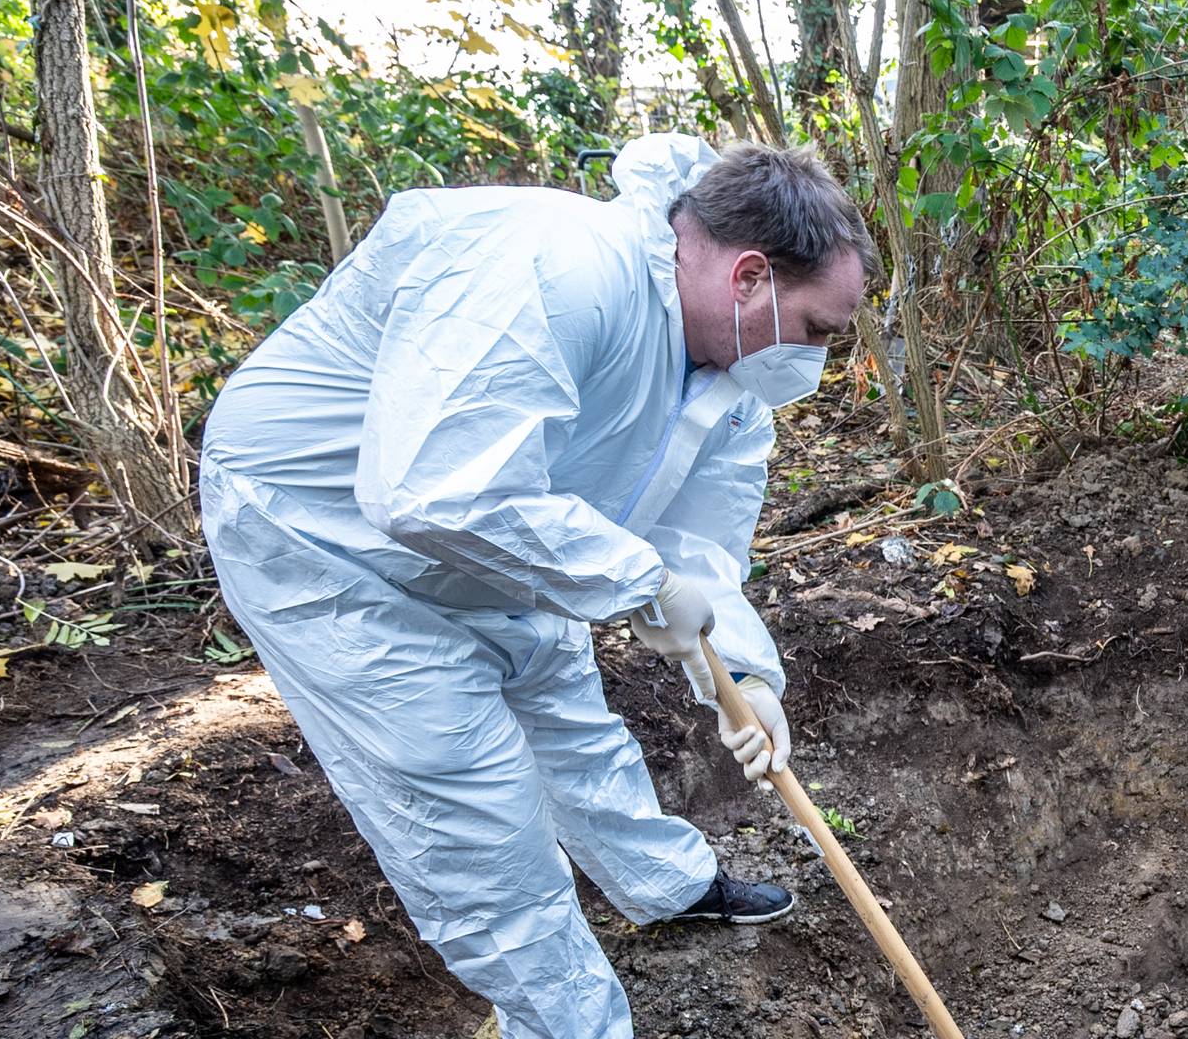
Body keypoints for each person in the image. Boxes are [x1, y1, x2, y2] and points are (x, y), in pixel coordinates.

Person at [196, 133, 875, 1039]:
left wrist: (746, 680)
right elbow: (434, 487)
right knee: (474, 811)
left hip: (512, 531)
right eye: (821, 328)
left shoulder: (737, 380)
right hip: (322, 538)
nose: (820, 359)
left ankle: (664, 885)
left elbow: (702, 548)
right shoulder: (555, 266)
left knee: (565, 709)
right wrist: (637, 580)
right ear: (749, 276)